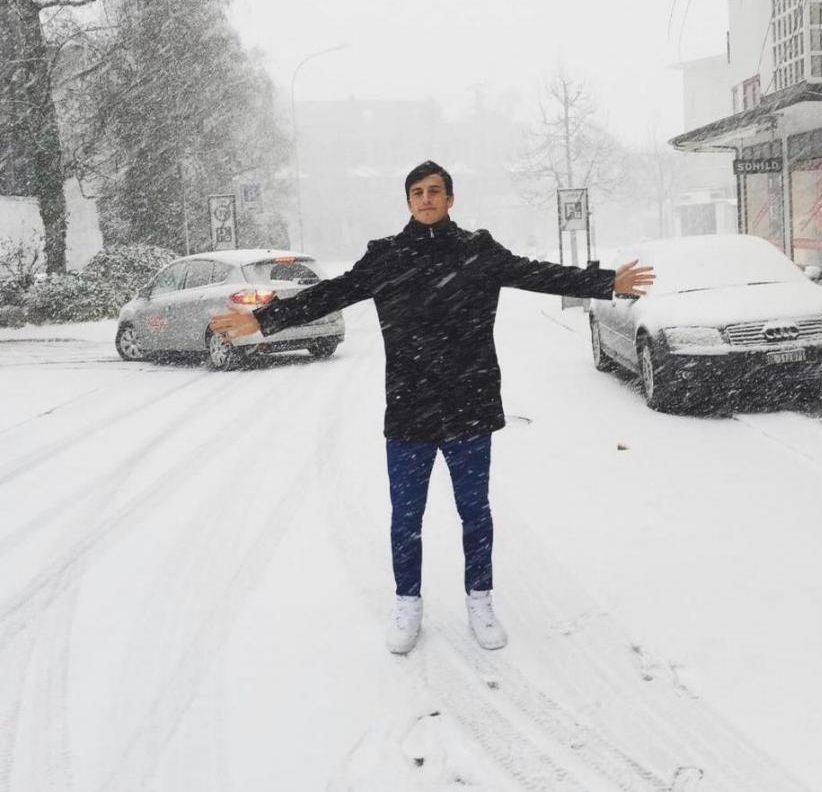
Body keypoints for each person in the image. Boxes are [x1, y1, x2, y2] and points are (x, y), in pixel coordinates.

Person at [210, 160, 654, 654]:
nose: (426, 198)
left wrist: (605, 282)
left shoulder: (476, 252)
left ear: (449, 199)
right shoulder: (386, 258)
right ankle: (407, 604)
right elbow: (331, 294)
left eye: (435, 191)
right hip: (409, 406)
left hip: (469, 402)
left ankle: (480, 600)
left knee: (474, 512)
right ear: (408, 201)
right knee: (406, 516)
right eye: (417, 192)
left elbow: (536, 273)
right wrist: (264, 320)